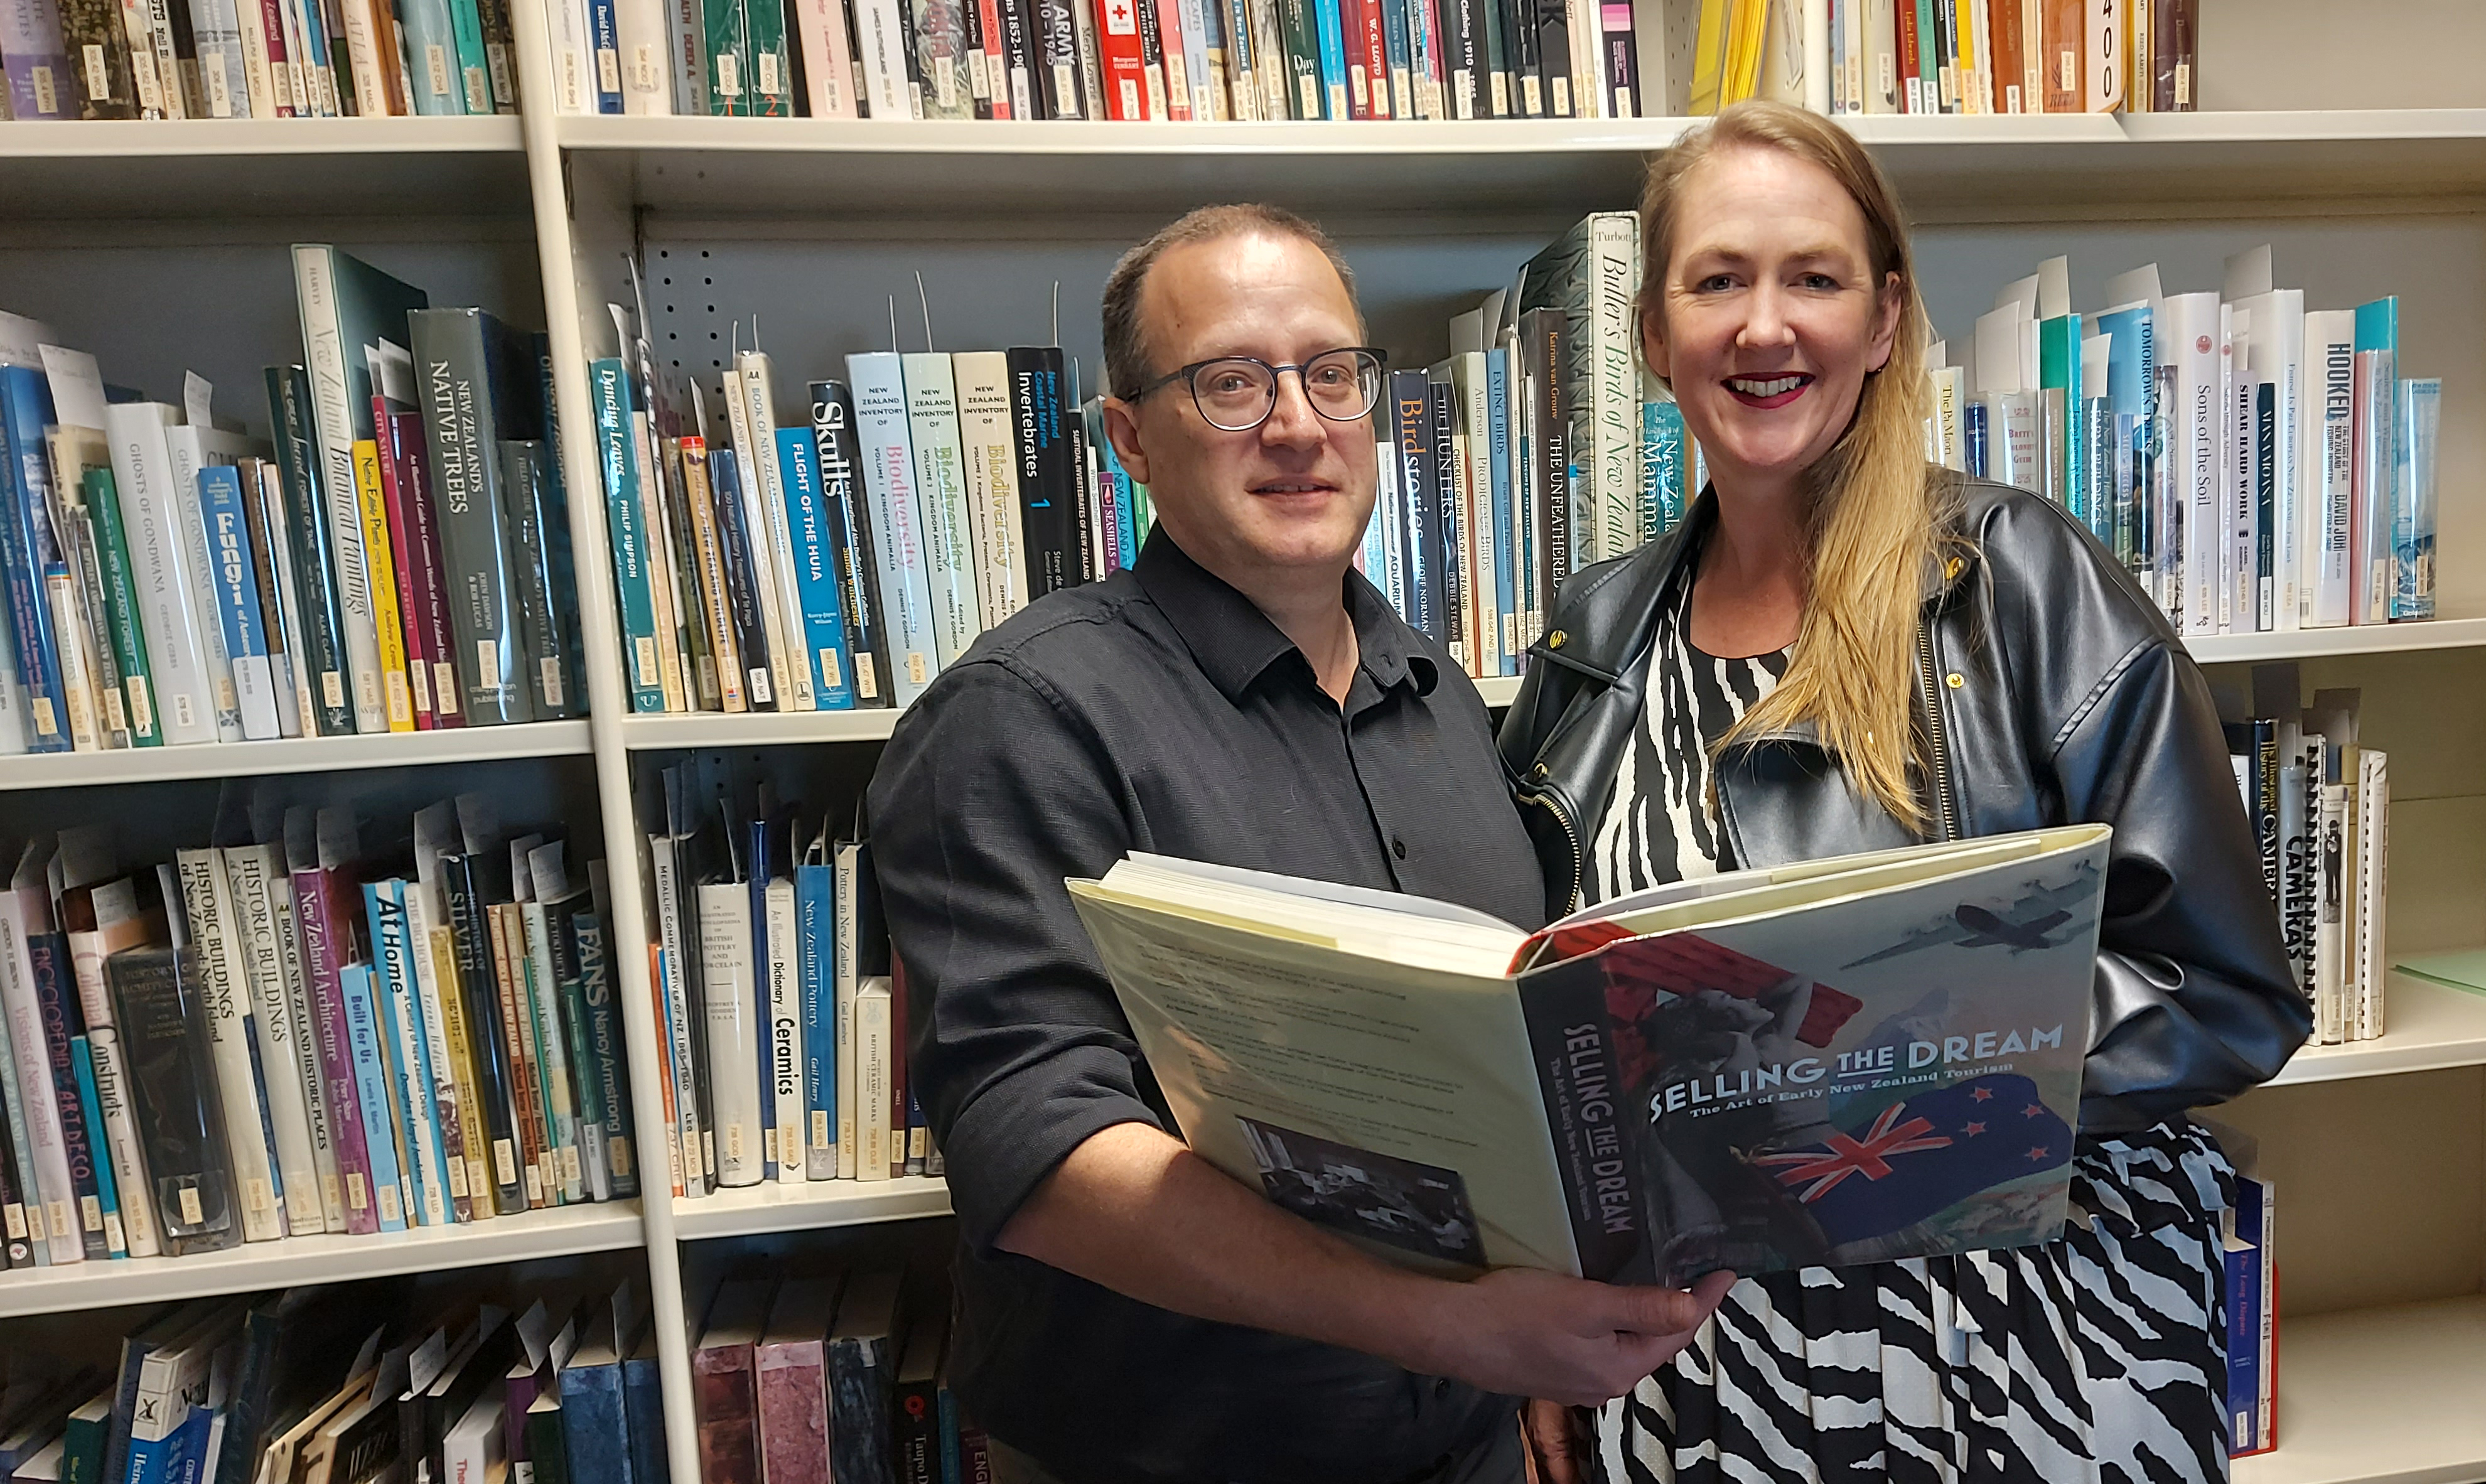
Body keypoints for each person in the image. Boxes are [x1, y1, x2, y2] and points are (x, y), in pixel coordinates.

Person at [1498, 102, 2311, 1483]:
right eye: (1718, 281)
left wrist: (1864, 1069)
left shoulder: (2023, 586)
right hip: (1711, 1377)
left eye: (1813, 277)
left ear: (1883, 320)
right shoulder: (1596, 638)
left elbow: (2223, 995)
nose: (1766, 328)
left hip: (2023, 1352)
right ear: (1654, 337)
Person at [866, 203, 1733, 1484]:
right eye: (1229, 383)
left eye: (1333, 373)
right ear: (1129, 442)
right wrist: (1452, 1327)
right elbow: (1037, 1151)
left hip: (1472, 1442)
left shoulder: (1438, 694)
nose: (1296, 422)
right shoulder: (1022, 719)